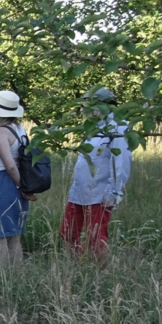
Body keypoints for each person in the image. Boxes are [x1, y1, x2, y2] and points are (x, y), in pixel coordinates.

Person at [61, 88, 132, 259]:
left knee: (96, 238)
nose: (82, 109)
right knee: (67, 232)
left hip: (100, 193)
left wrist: (113, 191)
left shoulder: (118, 129)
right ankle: (75, 267)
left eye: (87, 104)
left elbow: (121, 162)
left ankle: (98, 273)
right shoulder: (92, 127)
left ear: (102, 105)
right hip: (79, 190)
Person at [0, 90, 32, 270]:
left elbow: (9, 165)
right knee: (14, 234)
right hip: (16, 181)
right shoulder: (20, 129)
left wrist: (20, 186)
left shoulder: (0, 132)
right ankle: (16, 275)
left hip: (3, 182)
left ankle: (1, 277)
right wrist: (23, 186)